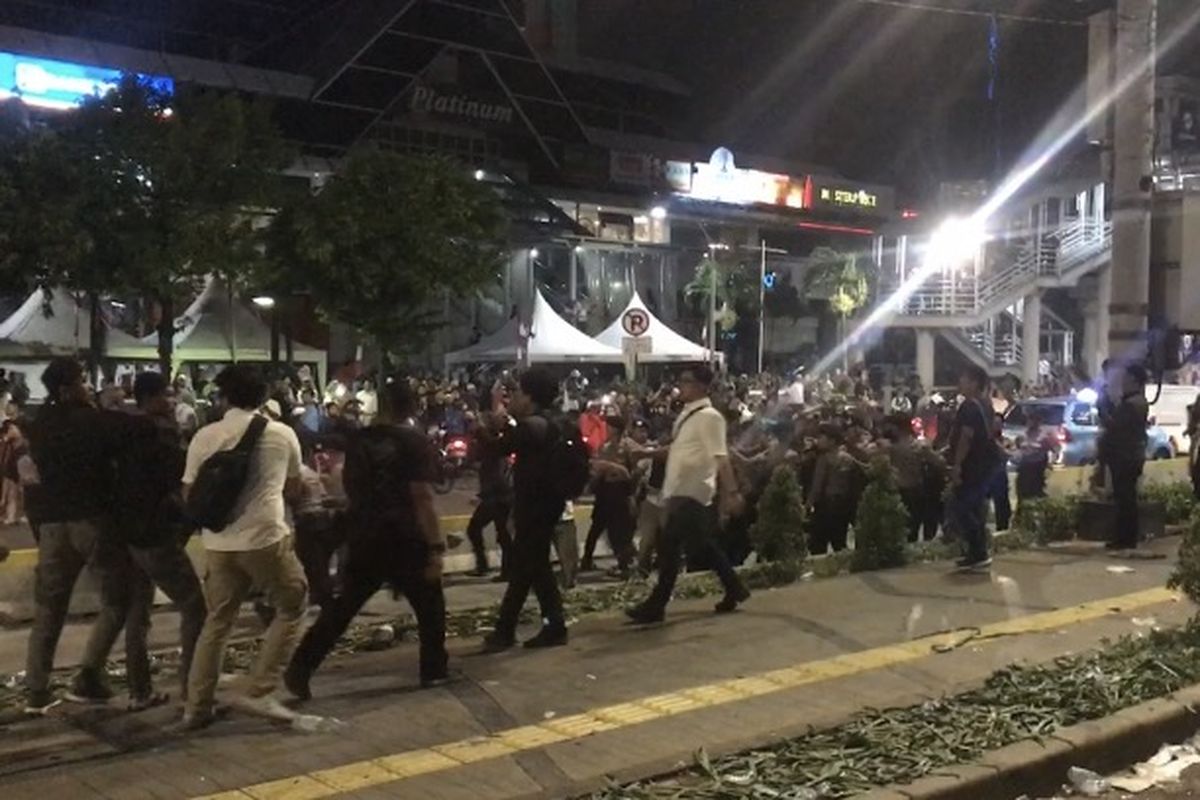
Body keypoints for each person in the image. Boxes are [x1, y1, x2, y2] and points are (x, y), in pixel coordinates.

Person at [286, 378, 448, 698]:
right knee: (430, 606)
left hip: (364, 534)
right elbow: (422, 496)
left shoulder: (360, 441)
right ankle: (433, 670)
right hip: (405, 536)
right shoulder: (414, 443)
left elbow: (349, 486)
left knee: (343, 608)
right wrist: (436, 546)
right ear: (412, 406)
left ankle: (300, 667)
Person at [181, 364, 308, 730]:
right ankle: (260, 689)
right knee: (292, 605)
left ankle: (197, 706)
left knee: (217, 621)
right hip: (265, 539)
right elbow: (295, 489)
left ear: (224, 396)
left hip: (218, 542)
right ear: (264, 396)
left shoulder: (205, 436)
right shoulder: (282, 434)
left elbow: (190, 494)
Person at [21, 359, 130, 714]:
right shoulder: (88, 420)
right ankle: (89, 673)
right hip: (89, 519)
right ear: (68, 388)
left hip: (52, 524)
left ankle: (36, 687)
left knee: (50, 607)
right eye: (82, 380)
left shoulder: (40, 424)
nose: (87, 386)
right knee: (117, 598)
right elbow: (115, 446)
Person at [101, 372, 206, 711]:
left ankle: (139, 690)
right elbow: (173, 484)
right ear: (150, 397)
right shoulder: (158, 434)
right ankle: (193, 690)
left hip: (127, 533)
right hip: (155, 533)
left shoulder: (121, 431)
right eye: (166, 394)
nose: (172, 400)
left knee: (138, 612)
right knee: (194, 606)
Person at [626, 366, 749, 624]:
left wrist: (732, 492)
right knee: (699, 547)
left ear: (703, 387)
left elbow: (721, 457)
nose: (681, 385)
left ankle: (656, 605)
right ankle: (735, 588)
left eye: (687, 381)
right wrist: (647, 453)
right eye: (681, 380)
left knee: (671, 547)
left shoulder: (710, 417)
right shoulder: (687, 415)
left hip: (694, 492)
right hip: (679, 490)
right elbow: (678, 449)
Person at [482, 368, 572, 651]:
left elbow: (494, 449)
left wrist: (479, 426)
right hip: (549, 503)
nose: (515, 398)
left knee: (529, 566)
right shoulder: (555, 422)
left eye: (519, 392)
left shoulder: (531, 426)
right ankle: (545, 626)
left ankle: (512, 630)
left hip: (535, 506)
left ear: (530, 397)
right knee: (532, 568)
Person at [946, 366, 1002, 571]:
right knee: (974, 508)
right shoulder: (987, 404)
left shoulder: (969, 406)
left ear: (975, 383)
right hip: (984, 465)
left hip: (971, 465)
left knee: (960, 507)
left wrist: (957, 465)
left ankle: (978, 551)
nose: (960, 382)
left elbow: (966, 437)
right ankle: (977, 552)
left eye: (964, 378)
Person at [1099, 363, 1149, 550]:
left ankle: (1125, 539)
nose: (1123, 382)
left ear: (1134, 380)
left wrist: (1104, 412)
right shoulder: (1136, 402)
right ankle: (1125, 538)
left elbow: (1116, 426)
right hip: (1129, 455)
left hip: (1126, 456)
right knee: (1125, 497)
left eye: (1126, 378)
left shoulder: (1133, 404)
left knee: (1125, 498)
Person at [465, 411, 513, 578]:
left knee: (476, 529)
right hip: (499, 496)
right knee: (503, 534)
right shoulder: (493, 447)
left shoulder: (492, 450)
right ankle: (505, 569)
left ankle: (486, 565)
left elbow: (496, 477)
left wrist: (482, 495)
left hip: (496, 498)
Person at [807, 424, 861, 554]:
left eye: (821, 437)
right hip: (843, 505)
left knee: (818, 544)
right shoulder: (847, 458)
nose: (818, 440)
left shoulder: (824, 459)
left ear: (832, 441)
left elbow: (817, 486)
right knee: (839, 542)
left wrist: (808, 504)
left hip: (825, 506)